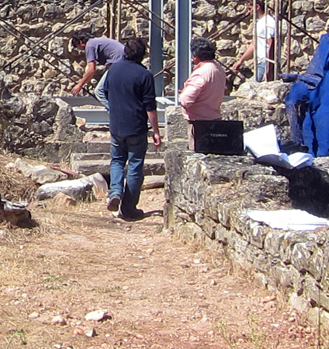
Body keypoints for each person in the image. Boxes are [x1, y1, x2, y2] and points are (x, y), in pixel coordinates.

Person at [100, 36, 162, 220]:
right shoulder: (145, 75)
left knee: (117, 160)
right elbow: (150, 107)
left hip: (116, 125)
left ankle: (115, 192)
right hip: (136, 126)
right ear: (143, 54)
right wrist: (156, 131)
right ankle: (129, 208)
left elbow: (104, 91)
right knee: (135, 165)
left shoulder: (113, 69)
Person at [176, 37, 228, 145]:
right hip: (214, 118)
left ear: (195, 57)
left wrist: (183, 92)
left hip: (199, 124)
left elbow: (185, 100)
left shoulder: (201, 73)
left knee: (198, 150)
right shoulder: (218, 68)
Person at [68, 30, 126, 98]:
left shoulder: (89, 45)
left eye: (77, 46)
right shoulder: (96, 42)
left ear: (80, 42)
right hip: (124, 61)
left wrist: (79, 85)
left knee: (99, 91)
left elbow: (92, 69)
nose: (79, 49)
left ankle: (113, 105)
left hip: (118, 63)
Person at [235, 0, 279, 81]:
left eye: (250, 9)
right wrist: (241, 61)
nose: (249, 12)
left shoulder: (268, 22)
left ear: (257, 7)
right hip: (261, 62)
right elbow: (254, 44)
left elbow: (272, 44)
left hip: (266, 62)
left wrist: (268, 69)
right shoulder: (259, 22)